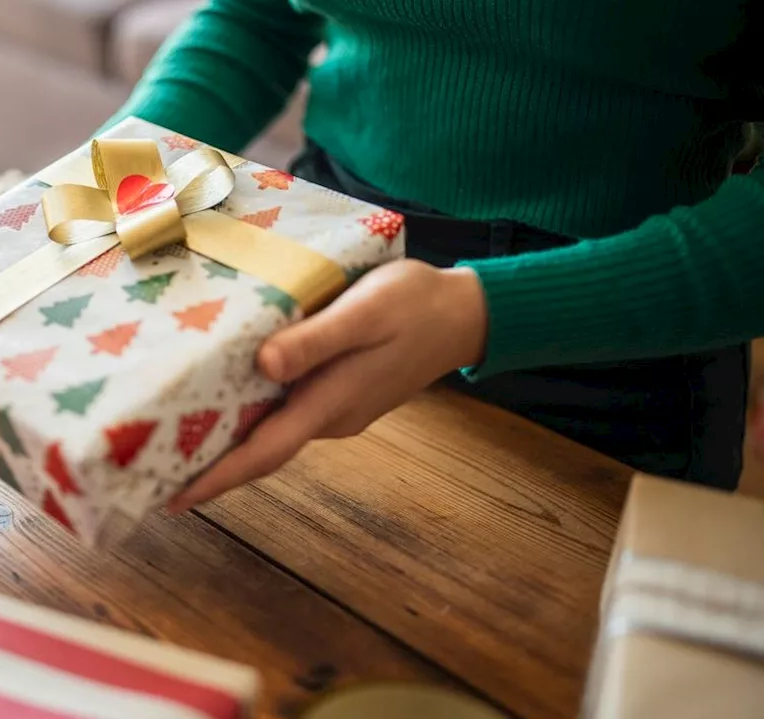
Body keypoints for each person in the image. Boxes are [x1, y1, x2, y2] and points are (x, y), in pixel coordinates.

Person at [94, 0, 764, 513]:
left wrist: (486, 312)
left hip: (607, 340)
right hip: (317, 259)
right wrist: (115, 179)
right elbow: (257, 19)